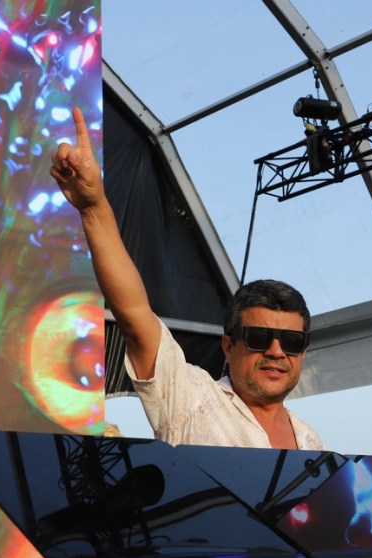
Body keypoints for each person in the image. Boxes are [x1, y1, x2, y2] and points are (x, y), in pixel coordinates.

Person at [51, 108, 323, 450]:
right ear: (228, 346)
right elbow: (134, 315)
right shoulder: (189, 397)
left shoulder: (312, 442)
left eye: (292, 341)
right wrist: (93, 208)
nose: (276, 351)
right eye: (258, 337)